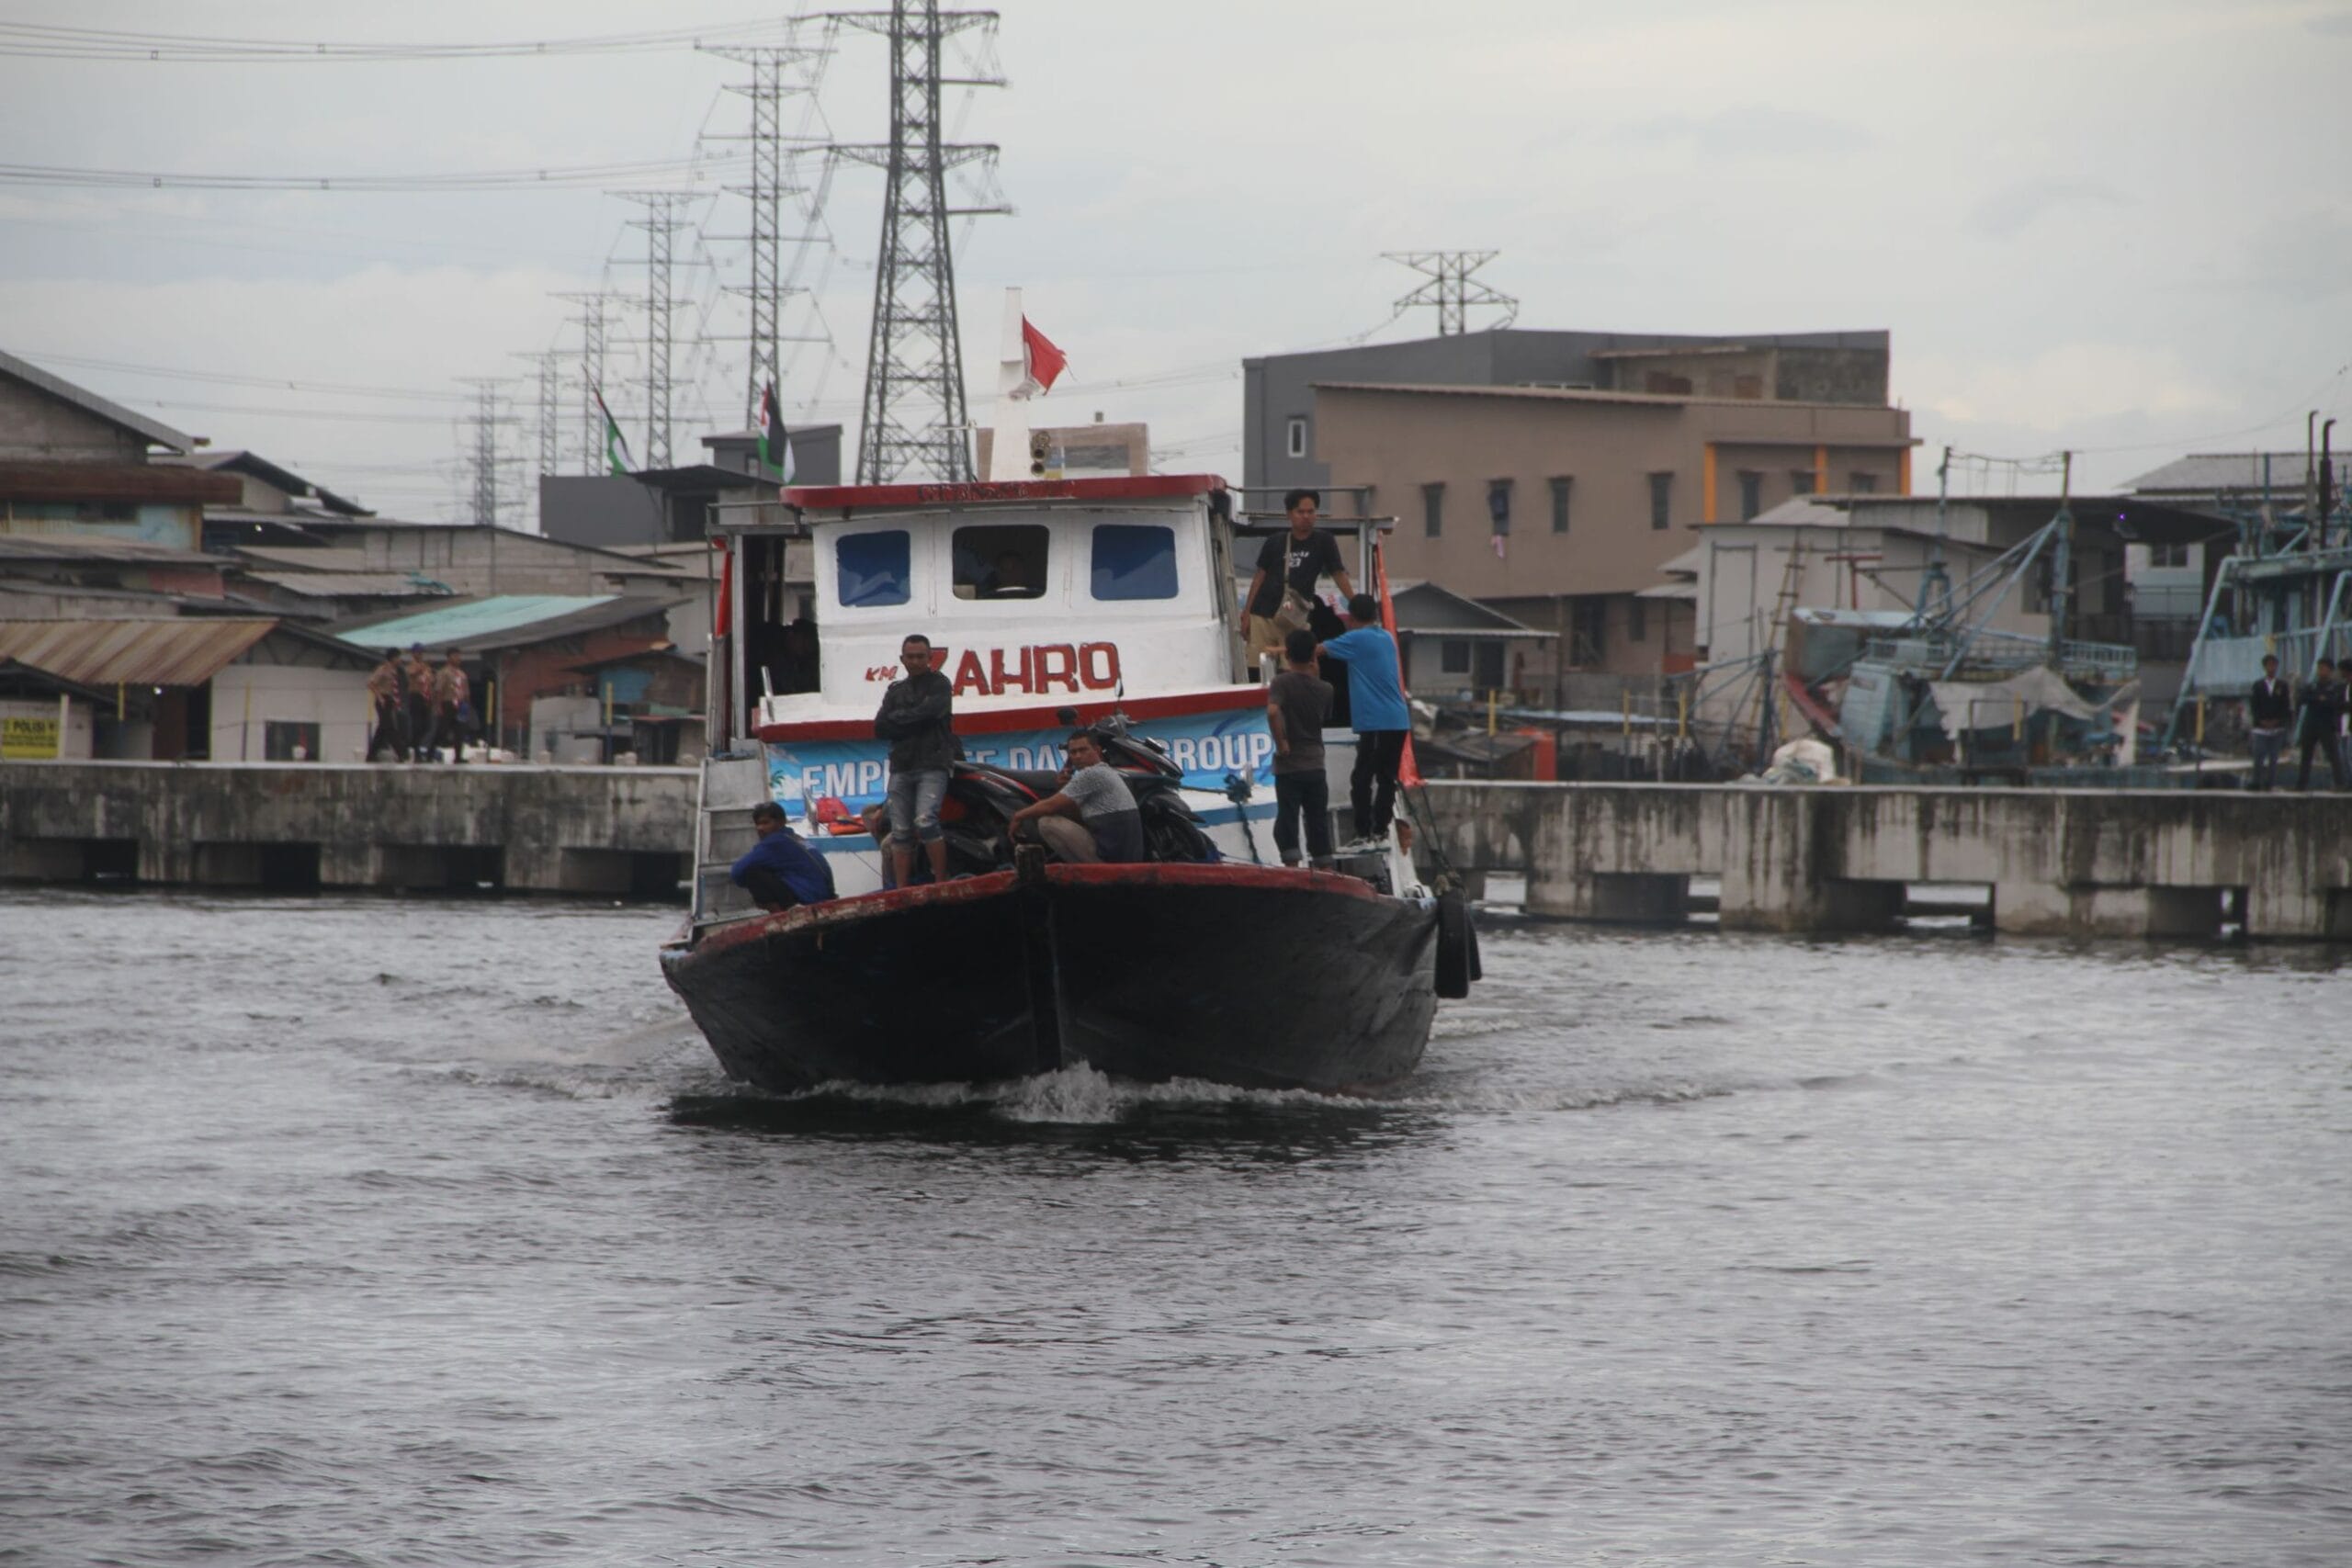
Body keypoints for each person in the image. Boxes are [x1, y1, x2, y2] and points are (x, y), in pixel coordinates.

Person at [1318, 592, 1411, 843]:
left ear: (1352, 617)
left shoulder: (1356, 639)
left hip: (1378, 721)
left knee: (1361, 778)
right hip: (1398, 719)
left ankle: (1365, 832)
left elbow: (1315, 650)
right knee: (1386, 777)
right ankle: (1380, 830)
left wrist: (1278, 649)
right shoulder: (1386, 637)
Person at [875, 632, 955, 888]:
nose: (916, 661)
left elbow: (930, 714)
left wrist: (899, 718)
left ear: (931, 658)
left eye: (921, 656)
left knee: (926, 820)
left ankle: (941, 882)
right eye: (911, 656)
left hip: (933, 764)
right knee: (899, 831)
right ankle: (901, 889)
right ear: (902, 658)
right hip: (901, 766)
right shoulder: (895, 690)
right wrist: (913, 719)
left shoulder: (941, 685)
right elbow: (880, 727)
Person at [1243, 489, 1355, 664]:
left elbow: (1338, 573)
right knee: (1260, 668)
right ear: (1289, 514)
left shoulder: (1324, 540)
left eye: (1311, 511)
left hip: (1294, 616)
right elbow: (1259, 577)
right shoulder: (1275, 541)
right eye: (1300, 512)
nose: (1306, 516)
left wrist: (1354, 604)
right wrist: (1246, 614)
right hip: (1262, 614)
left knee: (1296, 667)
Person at [1007, 730, 1145, 863]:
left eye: (1083, 750)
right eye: (1073, 752)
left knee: (1047, 822)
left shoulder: (1091, 774)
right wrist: (1062, 787)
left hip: (1111, 859)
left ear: (1097, 750)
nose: (1078, 756)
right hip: (1124, 856)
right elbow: (1077, 816)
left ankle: (1086, 875)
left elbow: (1050, 807)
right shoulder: (1106, 771)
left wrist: (1018, 816)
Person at [1267, 627, 1335, 868]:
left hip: (1289, 765)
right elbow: (1323, 717)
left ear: (1287, 654)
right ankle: (1325, 868)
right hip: (1316, 764)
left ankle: (1293, 869)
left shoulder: (1281, 682)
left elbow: (1273, 710)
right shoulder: (1326, 689)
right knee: (1317, 820)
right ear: (1313, 657)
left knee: (1288, 819)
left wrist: (1282, 742)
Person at [730, 801, 836, 912]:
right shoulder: (796, 838)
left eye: (765, 823)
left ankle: (787, 911)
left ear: (781, 822)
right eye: (757, 824)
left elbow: (737, 872)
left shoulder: (775, 842)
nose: (760, 828)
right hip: (826, 896)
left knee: (751, 872)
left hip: (808, 899)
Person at [2294, 657, 2348, 791]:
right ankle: (2301, 785)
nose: (2321, 671)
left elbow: (2333, 702)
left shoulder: (2336, 686)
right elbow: (2302, 698)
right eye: (2319, 668)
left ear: (2330, 670)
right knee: (2306, 756)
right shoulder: (2312, 685)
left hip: (2327, 725)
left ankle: (2340, 784)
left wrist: (2317, 699)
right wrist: (2319, 698)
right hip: (2311, 724)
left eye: (2324, 668)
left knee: (2334, 756)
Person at [2249, 654, 2291, 791]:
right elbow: (2254, 705)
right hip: (2260, 727)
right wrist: (2261, 721)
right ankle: (2256, 782)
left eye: (2274, 665)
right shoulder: (2258, 685)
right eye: (2269, 665)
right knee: (2259, 756)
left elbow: (2285, 706)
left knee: (2273, 758)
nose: (2271, 668)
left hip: (2277, 727)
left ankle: (2270, 783)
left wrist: (2277, 720)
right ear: (2265, 667)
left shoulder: (2282, 685)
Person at [366, 648, 408, 762]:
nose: (400, 660)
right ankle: (401, 753)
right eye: (398, 657)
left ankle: (371, 755)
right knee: (390, 728)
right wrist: (380, 697)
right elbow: (371, 684)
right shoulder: (383, 669)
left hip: (389, 699)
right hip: (382, 699)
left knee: (382, 729)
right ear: (393, 658)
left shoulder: (395, 671)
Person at [433, 649, 474, 762]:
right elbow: (438, 690)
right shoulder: (444, 672)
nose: (458, 658)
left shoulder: (462, 674)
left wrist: (467, 705)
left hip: (460, 705)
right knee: (442, 730)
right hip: (448, 703)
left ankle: (458, 756)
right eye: (455, 656)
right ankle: (430, 752)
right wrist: (438, 706)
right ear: (449, 657)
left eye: (459, 656)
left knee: (460, 731)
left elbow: (466, 691)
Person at [401, 644, 436, 762]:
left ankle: (417, 746)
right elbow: (411, 674)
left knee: (427, 725)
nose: (420, 655)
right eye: (418, 652)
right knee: (417, 725)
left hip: (426, 697)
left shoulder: (427, 668)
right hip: (415, 696)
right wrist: (421, 668)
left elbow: (431, 680)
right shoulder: (411, 666)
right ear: (413, 653)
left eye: (421, 652)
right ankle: (416, 751)